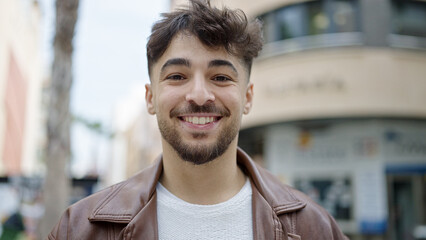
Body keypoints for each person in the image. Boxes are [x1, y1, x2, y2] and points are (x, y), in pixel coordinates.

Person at [48, 0, 348, 239]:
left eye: (220, 77)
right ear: (150, 98)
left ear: (248, 97)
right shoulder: (80, 229)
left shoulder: (314, 227)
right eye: (177, 76)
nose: (200, 95)